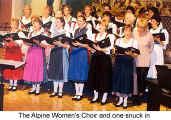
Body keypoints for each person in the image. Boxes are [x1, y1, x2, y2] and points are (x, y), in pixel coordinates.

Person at [87, 19, 115, 105]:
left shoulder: (110, 36)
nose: (100, 27)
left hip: (105, 59)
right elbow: (91, 48)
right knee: (95, 77)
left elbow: (111, 49)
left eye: (102, 26)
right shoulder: (94, 36)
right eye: (99, 25)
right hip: (95, 58)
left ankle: (104, 97)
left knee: (104, 78)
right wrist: (91, 48)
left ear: (106, 27)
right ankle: (95, 96)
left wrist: (101, 49)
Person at [112, 25, 138, 109]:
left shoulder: (134, 41)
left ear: (131, 32)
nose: (127, 33)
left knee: (126, 81)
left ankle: (125, 100)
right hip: (119, 62)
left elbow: (136, 54)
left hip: (128, 63)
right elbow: (114, 52)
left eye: (129, 31)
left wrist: (130, 54)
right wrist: (114, 51)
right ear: (123, 32)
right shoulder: (118, 40)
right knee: (119, 80)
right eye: (125, 31)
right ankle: (120, 99)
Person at [68, 16, 92, 101]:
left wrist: (79, 44)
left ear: (85, 22)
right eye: (78, 21)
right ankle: (76, 93)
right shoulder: (75, 30)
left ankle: (80, 93)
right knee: (75, 72)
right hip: (75, 53)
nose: (79, 22)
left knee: (81, 73)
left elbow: (89, 45)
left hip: (82, 53)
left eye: (81, 21)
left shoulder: (87, 31)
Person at [23, 17, 48, 95]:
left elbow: (45, 45)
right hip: (31, 52)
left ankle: (38, 88)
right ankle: (33, 87)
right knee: (32, 69)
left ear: (40, 25)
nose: (34, 26)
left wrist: (38, 43)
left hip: (39, 53)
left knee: (38, 69)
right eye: (33, 24)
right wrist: (26, 42)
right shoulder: (31, 33)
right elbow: (28, 42)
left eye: (36, 24)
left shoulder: (43, 34)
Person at [133, 18, 154, 105]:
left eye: (142, 27)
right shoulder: (134, 33)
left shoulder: (149, 35)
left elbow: (151, 46)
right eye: (138, 27)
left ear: (145, 27)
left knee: (142, 79)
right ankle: (136, 96)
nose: (140, 29)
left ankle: (141, 95)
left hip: (145, 60)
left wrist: (146, 52)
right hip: (135, 59)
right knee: (136, 79)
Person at [48, 17, 69, 98]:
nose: (56, 24)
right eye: (56, 22)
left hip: (62, 52)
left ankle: (60, 91)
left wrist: (60, 44)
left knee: (61, 71)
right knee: (54, 71)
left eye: (58, 22)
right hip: (54, 52)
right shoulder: (53, 33)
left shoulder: (66, 33)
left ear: (62, 23)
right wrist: (51, 45)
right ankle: (54, 91)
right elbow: (51, 43)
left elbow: (67, 46)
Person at [3, 18, 25, 91]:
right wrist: (5, 43)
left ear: (17, 25)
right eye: (12, 24)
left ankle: (15, 84)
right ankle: (10, 83)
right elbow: (5, 43)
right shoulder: (8, 33)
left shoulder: (19, 33)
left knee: (15, 68)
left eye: (15, 24)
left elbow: (20, 43)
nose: (13, 25)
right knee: (9, 68)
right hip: (9, 52)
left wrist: (13, 41)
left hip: (16, 52)